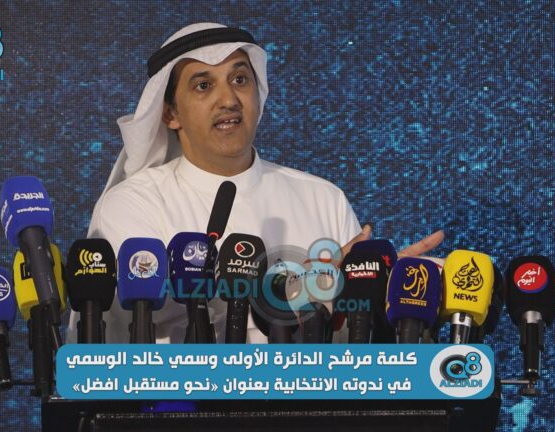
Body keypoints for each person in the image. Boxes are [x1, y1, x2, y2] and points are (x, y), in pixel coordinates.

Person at [67, 22, 444, 344]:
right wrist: (302, 289)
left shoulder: (322, 197)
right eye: (203, 85)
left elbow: (349, 340)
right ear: (170, 114)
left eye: (239, 79)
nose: (228, 99)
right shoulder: (133, 204)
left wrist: (381, 295)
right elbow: (146, 324)